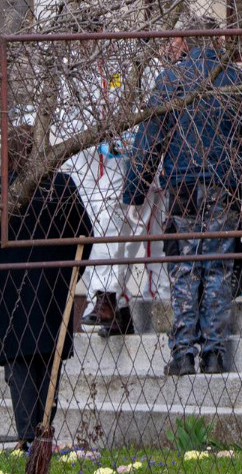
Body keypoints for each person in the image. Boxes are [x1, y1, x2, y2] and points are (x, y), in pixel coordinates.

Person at [121, 18, 242, 376]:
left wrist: (135, 192)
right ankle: (215, 354)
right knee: (218, 267)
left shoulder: (170, 81)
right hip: (223, 185)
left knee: (185, 269)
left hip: (183, 187)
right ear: (218, 41)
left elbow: (149, 142)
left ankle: (184, 354)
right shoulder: (235, 80)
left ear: (186, 42)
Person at [0, 124, 94, 449]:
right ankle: (41, 433)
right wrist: (70, 277)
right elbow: (85, 234)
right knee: (48, 364)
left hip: (11, 294)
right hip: (53, 291)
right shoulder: (61, 186)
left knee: (20, 366)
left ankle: (29, 437)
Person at [66, 135, 168, 337]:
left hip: (141, 158)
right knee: (91, 228)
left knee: (149, 239)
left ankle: (117, 301)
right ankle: (112, 302)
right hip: (97, 156)